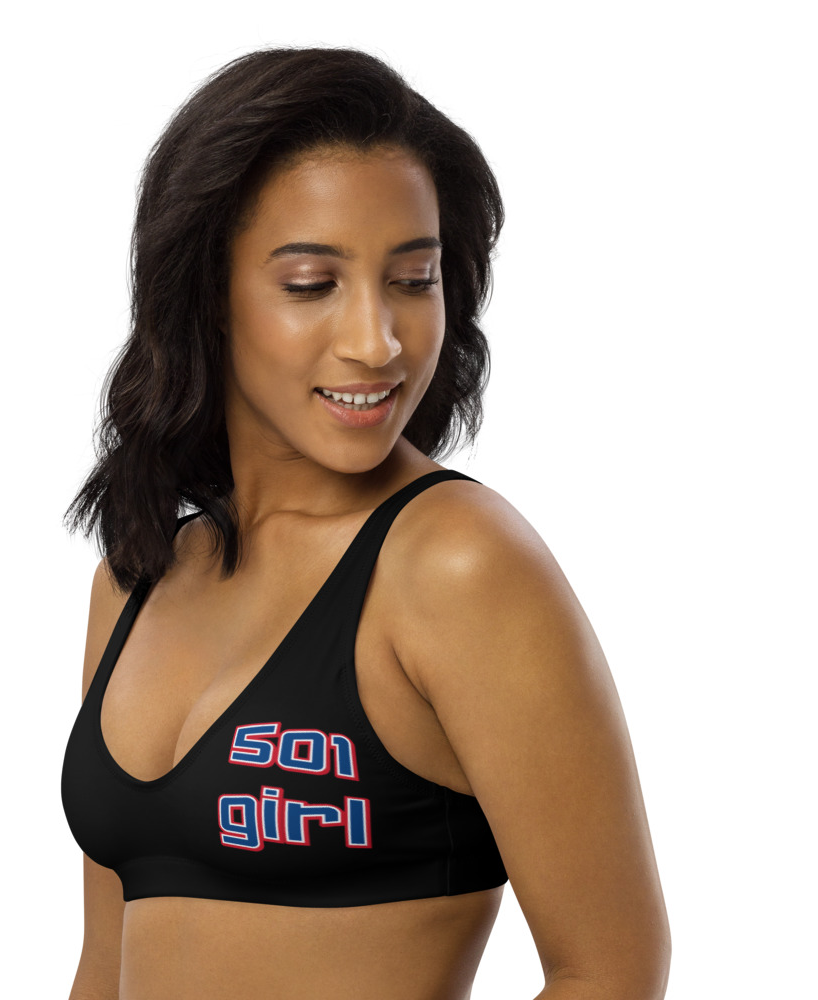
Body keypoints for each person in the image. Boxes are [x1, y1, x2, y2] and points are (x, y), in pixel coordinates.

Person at [60, 46, 670, 1000]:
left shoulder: (457, 564)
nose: (377, 342)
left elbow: (612, 970)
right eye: (313, 284)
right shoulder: (137, 578)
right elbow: (102, 968)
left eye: (414, 280)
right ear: (205, 295)